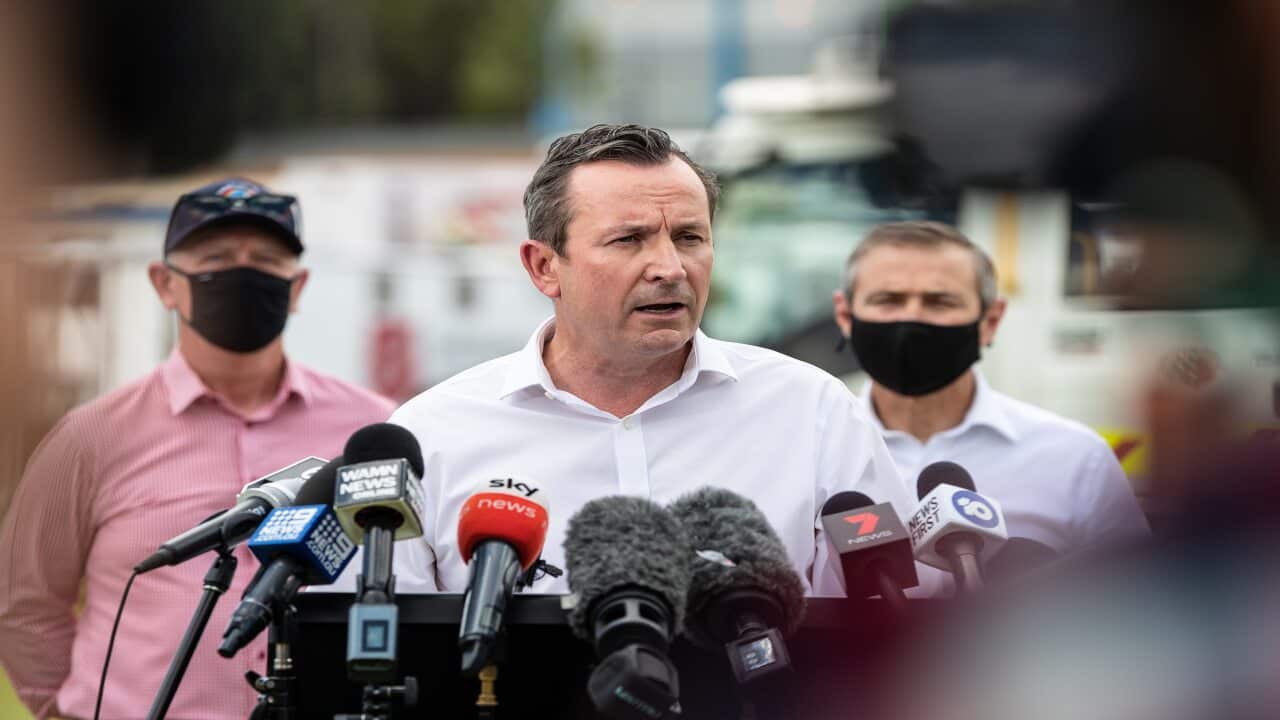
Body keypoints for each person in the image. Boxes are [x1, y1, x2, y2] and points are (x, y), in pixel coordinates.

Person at [363, 124, 911, 598]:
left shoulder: (812, 412)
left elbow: (895, 631)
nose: (670, 268)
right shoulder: (432, 436)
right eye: (630, 240)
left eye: (690, 237)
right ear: (544, 267)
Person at [0, 178, 395, 720]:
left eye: (265, 259)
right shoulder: (89, 437)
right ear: (165, 284)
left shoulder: (373, 428)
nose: (242, 270)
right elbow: (24, 606)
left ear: (297, 287)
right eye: (216, 256)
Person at [830, 220, 1149, 591]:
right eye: (888, 300)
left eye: (940, 301)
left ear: (990, 320)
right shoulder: (818, 452)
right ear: (845, 316)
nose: (912, 318)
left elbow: (1141, 600)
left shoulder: (1078, 458)